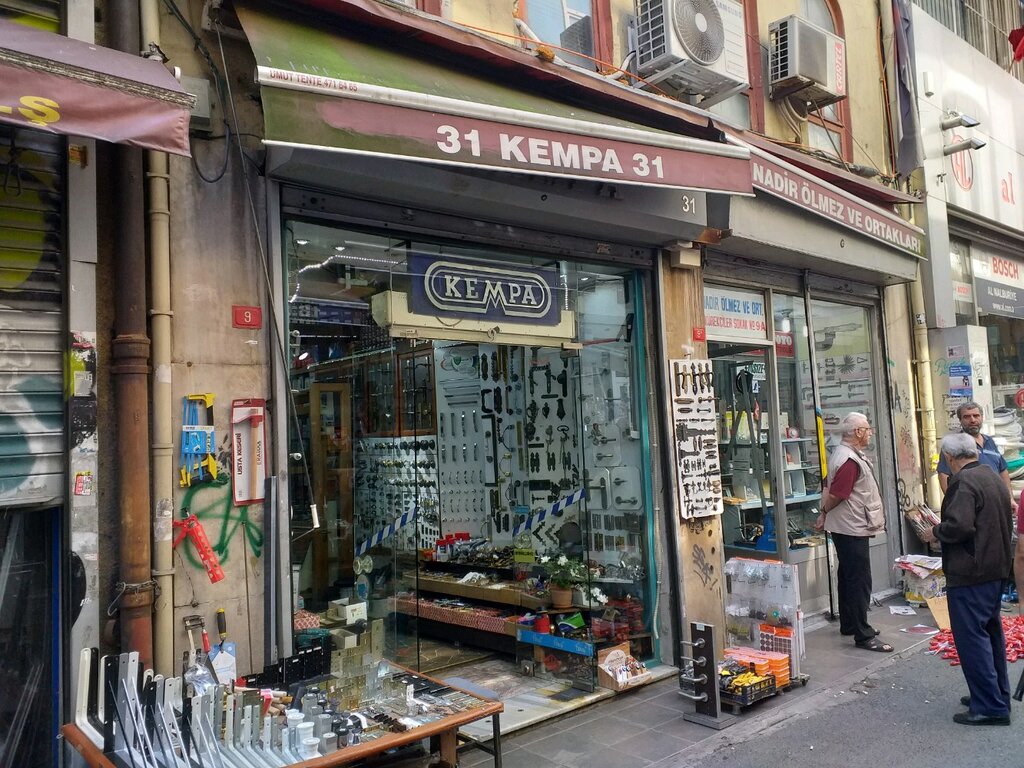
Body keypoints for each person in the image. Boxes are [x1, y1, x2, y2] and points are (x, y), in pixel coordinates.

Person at [922, 432, 1013, 726]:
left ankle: (989, 705)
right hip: (995, 567)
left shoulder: (963, 482)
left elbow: (959, 526)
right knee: (990, 634)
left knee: (972, 638)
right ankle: (995, 696)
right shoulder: (991, 476)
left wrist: (935, 531)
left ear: (949, 458)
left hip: (972, 571)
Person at [817, 412, 891, 652]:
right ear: (858, 432)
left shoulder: (844, 454)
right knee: (859, 579)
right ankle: (863, 633)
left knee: (848, 575)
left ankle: (849, 624)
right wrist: (824, 512)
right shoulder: (849, 459)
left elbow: (829, 485)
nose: (870, 433)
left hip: (847, 525)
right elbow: (837, 494)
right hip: (851, 526)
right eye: (867, 429)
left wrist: (825, 513)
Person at [937, 402, 1010, 495]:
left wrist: (1010, 497)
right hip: (970, 498)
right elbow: (943, 474)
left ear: (982, 417)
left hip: (995, 498)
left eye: (976, 416)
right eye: (966, 417)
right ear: (960, 420)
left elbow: (1003, 470)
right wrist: (952, 499)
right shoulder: (953, 444)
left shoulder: (989, 441)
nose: (972, 420)